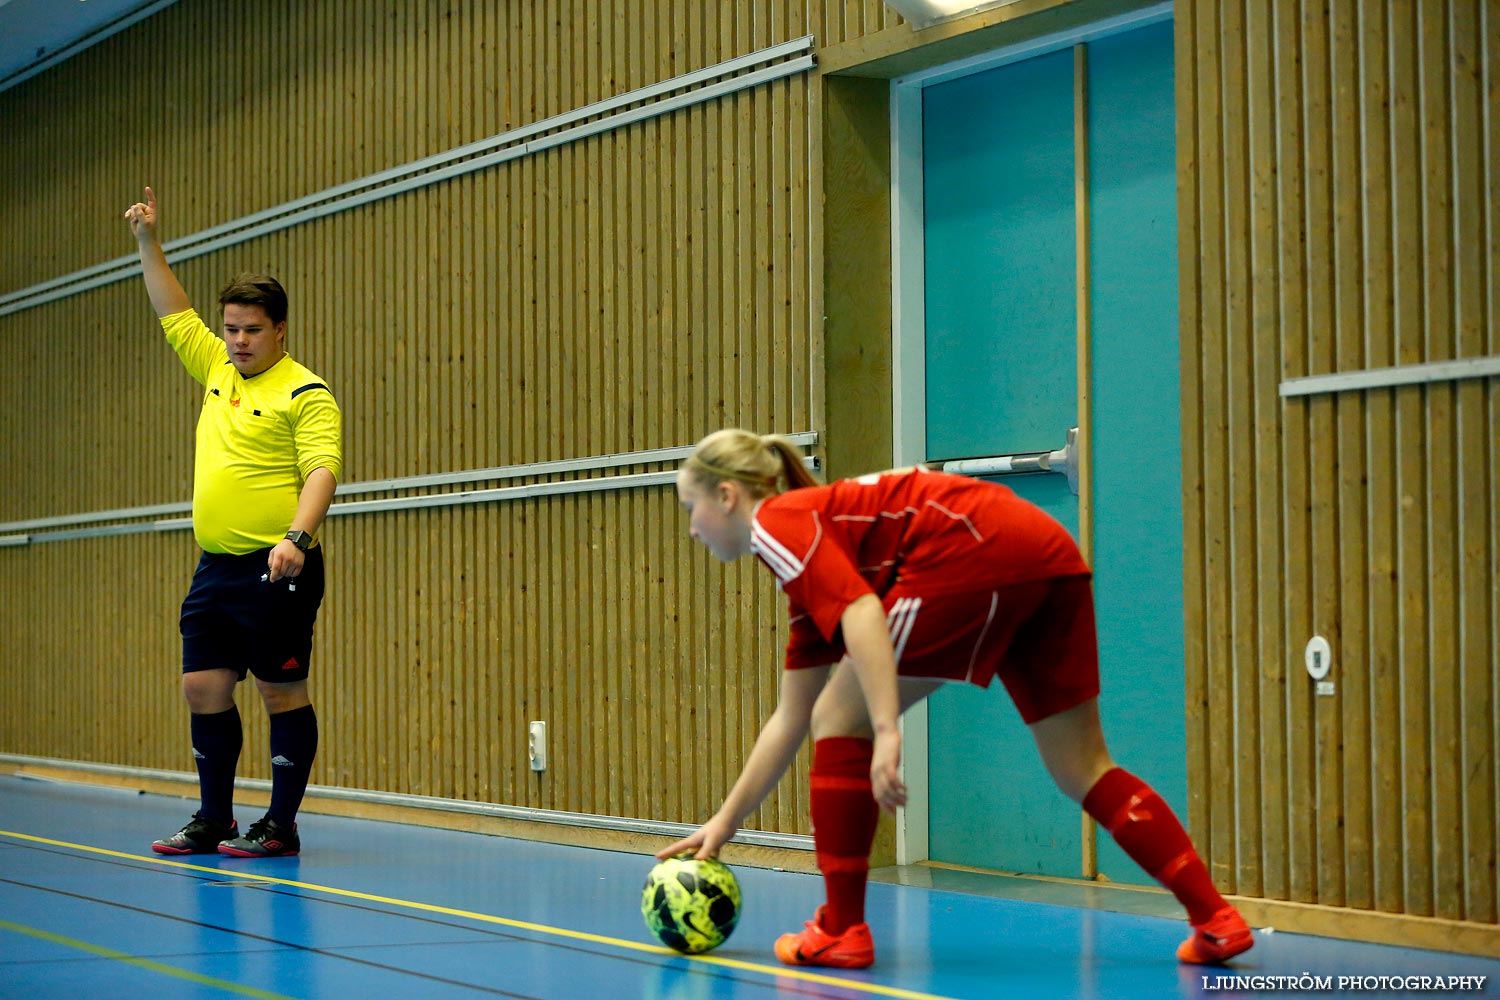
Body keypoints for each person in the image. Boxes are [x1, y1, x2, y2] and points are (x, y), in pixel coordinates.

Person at [657, 429, 1253, 969]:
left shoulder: (778, 522)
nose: (692, 528)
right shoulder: (817, 545)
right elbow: (788, 718)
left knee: (842, 715)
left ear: (728, 496)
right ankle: (1216, 921)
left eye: (692, 509)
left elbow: (863, 613)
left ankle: (841, 929)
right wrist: (725, 823)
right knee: (1083, 768)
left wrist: (885, 730)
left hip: (972, 549)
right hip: (1045, 550)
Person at [125, 187, 342, 858]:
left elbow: (322, 471)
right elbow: (171, 308)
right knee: (202, 686)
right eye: (232, 329)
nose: (239, 341)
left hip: (278, 565)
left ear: (279, 330)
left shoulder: (305, 392)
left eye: (251, 330)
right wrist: (146, 241)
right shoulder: (217, 368)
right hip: (217, 565)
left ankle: (280, 824)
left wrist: (296, 539)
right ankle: (213, 817)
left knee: (281, 690)